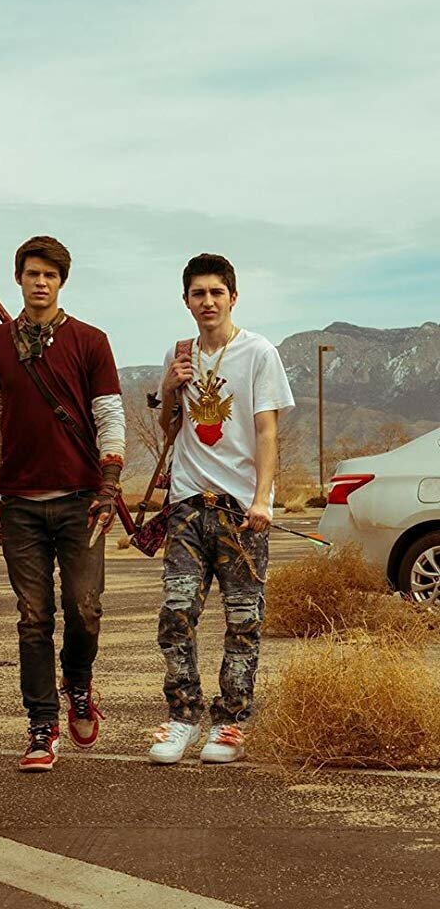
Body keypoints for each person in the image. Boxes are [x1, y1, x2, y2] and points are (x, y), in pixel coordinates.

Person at [0, 236, 125, 772]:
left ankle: (78, 683)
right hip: (20, 502)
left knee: (85, 608)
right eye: (32, 273)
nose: (40, 283)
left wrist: (109, 485)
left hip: (82, 499)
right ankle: (42, 724)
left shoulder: (90, 341)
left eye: (50, 275)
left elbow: (109, 414)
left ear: (62, 282)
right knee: (33, 616)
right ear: (18, 278)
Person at [147, 253, 293, 766]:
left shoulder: (258, 353)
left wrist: (263, 499)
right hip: (188, 503)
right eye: (198, 294)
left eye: (216, 292)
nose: (207, 302)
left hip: (240, 510)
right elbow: (170, 429)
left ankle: (230, 722)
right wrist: (168, 388)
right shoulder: (179, 353)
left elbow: (268, 432)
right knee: (176, 613)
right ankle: (183, 717)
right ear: (186, 301)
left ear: (233, 296)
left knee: (243, 620)